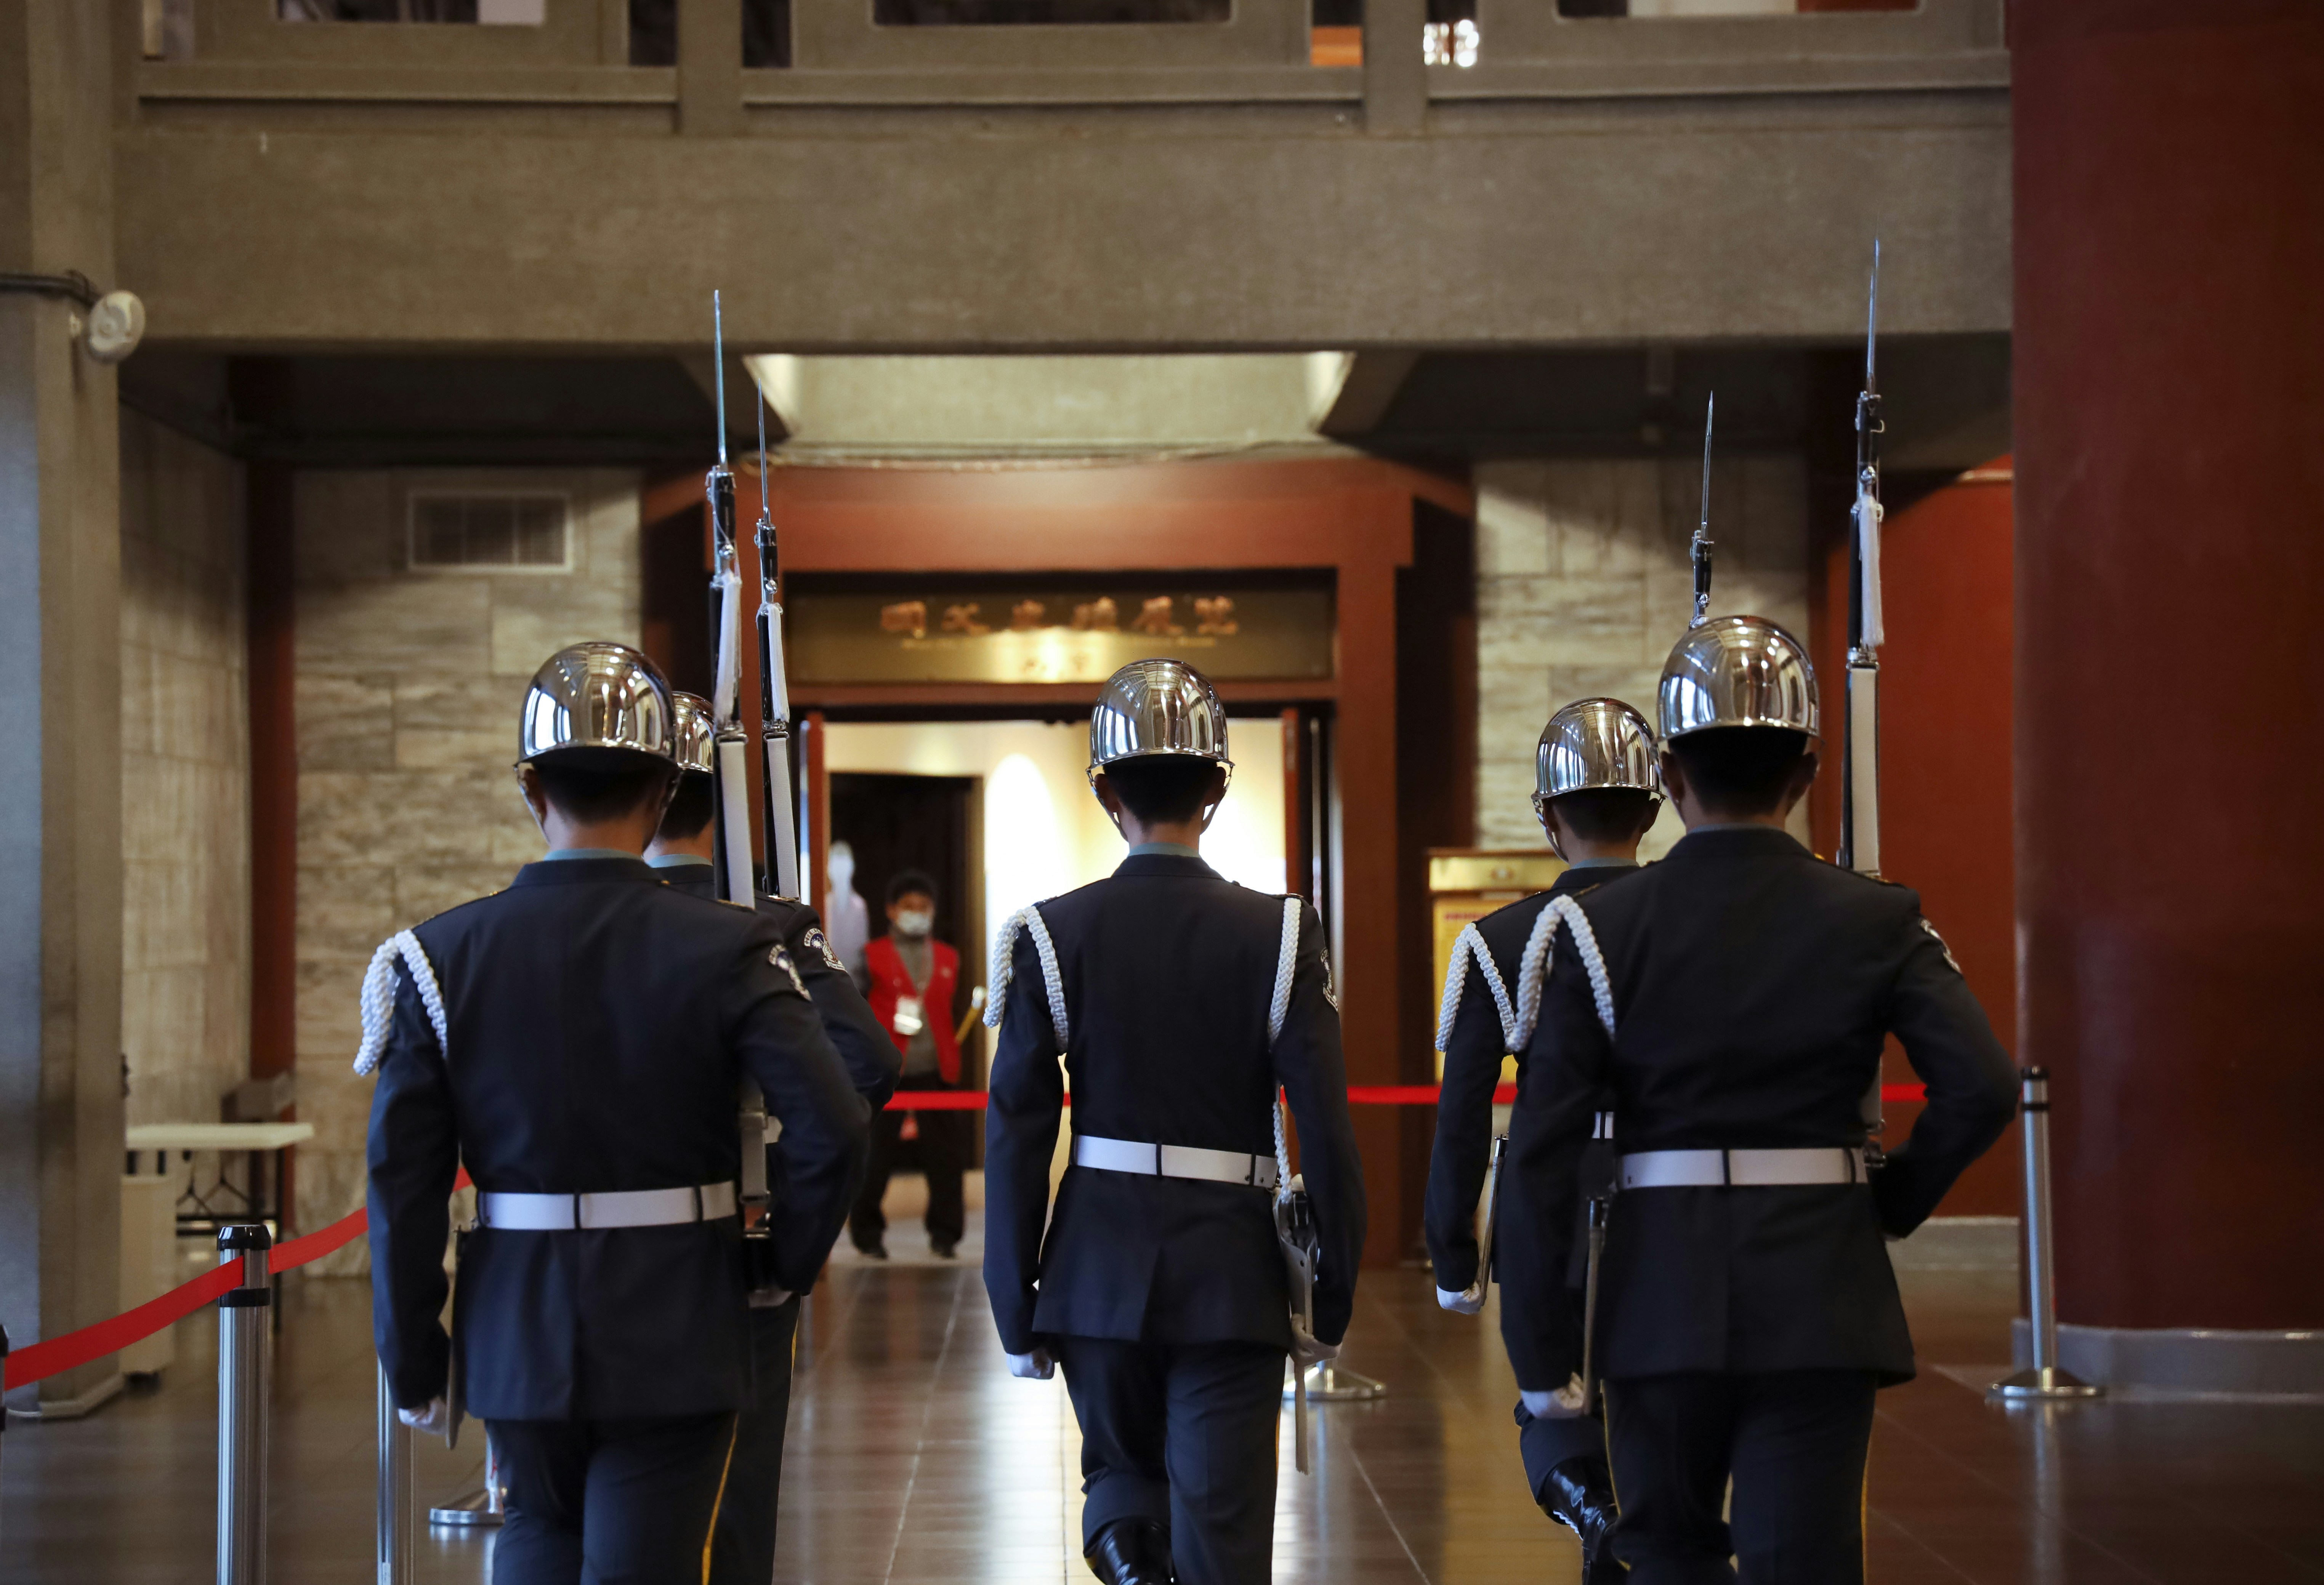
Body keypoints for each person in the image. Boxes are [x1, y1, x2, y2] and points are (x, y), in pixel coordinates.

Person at [1498, 616, 2019, 1585]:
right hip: (1820, 1282)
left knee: (1664, 1554)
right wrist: (1891, 1201)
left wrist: (1540, 1347)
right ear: (1808, 772)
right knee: (1802, 1558)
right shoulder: (1877, 916)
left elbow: (1540, 1152)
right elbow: (1982, 1083)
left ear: (1670, 776)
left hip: (1657, 1291)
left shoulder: (1594, 928)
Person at [360, 642, 870, 1585]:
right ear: (664, 791)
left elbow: (402, 1179)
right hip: (679, 1315)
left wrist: (416, 1355)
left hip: (516, 1320)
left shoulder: (438, 957)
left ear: (530, 788)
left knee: (535, 1539)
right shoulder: (731, 947)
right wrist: (776, 1266)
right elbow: (834, 1120)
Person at [982, 659, 1367, 1585]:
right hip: (1229, 1269)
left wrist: (1013, 1297)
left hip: (1094, 1266)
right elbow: (1325, 1122)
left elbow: (1017, 1132)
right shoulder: (1278, 932)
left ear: (1104, 789)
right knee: (1224, 1520)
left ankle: (1122, 1540)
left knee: (1120, 1466)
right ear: (1219, 790)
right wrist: (1333, 1290)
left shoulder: (1051, 931)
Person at [644, 691, 901, 1585]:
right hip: (722, 1253)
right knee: (726, 1515)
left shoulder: (522, 929)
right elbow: (867, 1063)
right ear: (715, 803)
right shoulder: (760, 925)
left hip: (552, 1283)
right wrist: (781, 1207)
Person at [1424, 696, 1662, 1583]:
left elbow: (1463, 1116)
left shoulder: (1500, 939)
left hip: (1554, 1201)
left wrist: (1454, 1254)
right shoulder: (1684, 920)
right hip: (1672, 1196)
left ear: (1547, 817)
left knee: (1558, 1417)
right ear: (1651, 808)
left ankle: (1594, 1510)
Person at [849, 871, 975, 1259]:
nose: (917, 914)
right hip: (887, 1071)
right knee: (875, 1156)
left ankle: (945, 1234)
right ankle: (868, 1235)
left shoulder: (949, 957)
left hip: (936, 1070)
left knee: (945, 1159)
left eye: (924, 907)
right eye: (909, 907)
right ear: (891, 910)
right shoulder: (870, 956)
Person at [823, 840, 873, 986]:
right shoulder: (824, 903)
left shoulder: (859, 906)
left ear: (852, 868)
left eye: (844, 865)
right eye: (836, 865)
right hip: (826, 979)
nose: (840, 871)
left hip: (854, 982)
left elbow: (862, 948)